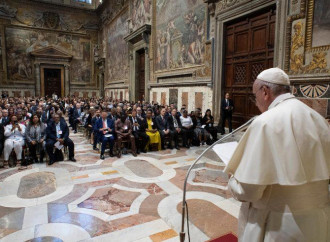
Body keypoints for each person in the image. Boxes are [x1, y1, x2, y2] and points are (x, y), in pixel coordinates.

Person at [225, 68, 330, 241]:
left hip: (278, 225)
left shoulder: (265, 122)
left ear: (265, 92)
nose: (255, 101)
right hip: (317, 220)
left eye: (254, 96)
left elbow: (249, 192)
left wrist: (233, 179)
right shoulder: (317, 118)